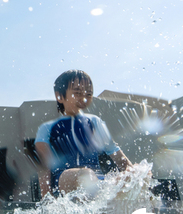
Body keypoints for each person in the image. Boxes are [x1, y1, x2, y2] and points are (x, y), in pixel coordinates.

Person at [35, 70, 132, 198]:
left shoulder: (95, 122)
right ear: (59, 96)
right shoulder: (47, 128)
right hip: (64, 181)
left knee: (133, 176)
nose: (84, 98)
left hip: (97, 182)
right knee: (85, 175)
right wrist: (46, 200)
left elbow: (119, 157)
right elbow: (44, 168)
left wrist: (136, 173)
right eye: (77, 93)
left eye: (89, 94)